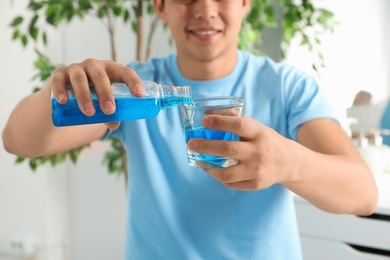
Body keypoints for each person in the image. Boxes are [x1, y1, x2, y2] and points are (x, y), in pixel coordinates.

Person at [2, 0, 378, 259]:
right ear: (160, 6)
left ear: (246, 2)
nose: (205, 11)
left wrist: (289, 163)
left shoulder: (287, 87)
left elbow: (363, 194)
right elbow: (17, 140)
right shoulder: (138, 90)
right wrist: (61, 90)